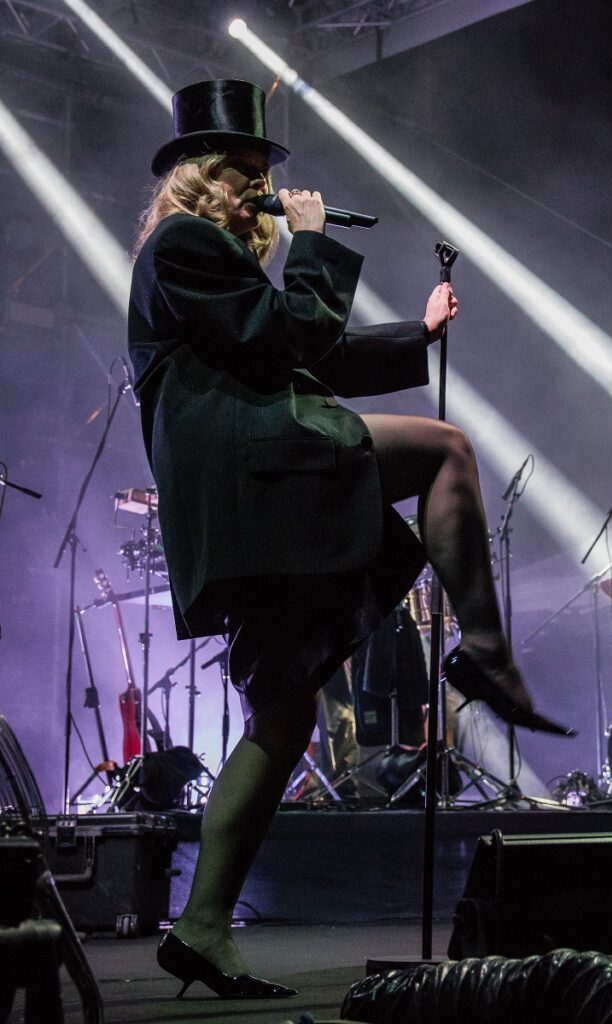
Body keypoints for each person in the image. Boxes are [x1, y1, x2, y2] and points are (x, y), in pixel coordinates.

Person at [128, 79, 574, 1001]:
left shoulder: (214, 265)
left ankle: (201, 926)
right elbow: (288, 334)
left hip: (259, 486)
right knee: (444, 449)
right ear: (202, 177)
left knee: (282, 715)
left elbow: (306, 348)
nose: (261, 189)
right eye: (245, 172)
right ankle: (484, 653)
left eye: (265, 174)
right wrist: (313, 242)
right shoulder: (180, 245)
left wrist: (418, 333)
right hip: (256, 477)